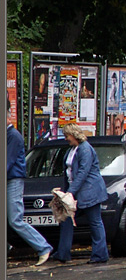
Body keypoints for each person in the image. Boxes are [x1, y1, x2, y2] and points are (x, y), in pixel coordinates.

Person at [7, 98, 54, 266]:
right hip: (8, 180)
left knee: (15, 220)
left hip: (12, 181)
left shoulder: (13, 136)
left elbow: (7, 162)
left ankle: (43, 247)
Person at [54, 123, 109, 264]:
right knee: (66, 220)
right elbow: (69, 173)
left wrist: (69, 193)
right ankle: (63, 253)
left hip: (90, 192)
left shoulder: (85, 149)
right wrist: (65, 192)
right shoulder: (72, 150)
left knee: (95, 222)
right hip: (77, 193)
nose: (66, 138)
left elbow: (82, 173)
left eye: (67, 135)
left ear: (74, 135)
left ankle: (100, 254)